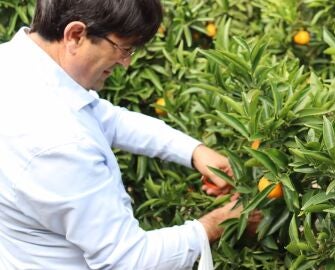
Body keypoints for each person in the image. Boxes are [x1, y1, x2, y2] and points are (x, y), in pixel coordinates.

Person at [0, 0, 249, 269]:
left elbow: (106, 118)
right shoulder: (59, 143)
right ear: (75, 35)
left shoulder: (16, 64)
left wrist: (194, 152)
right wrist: (214, 225)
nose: (126, 63)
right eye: (124, 49)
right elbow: (128, 259)